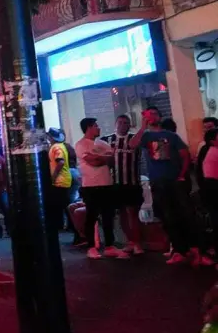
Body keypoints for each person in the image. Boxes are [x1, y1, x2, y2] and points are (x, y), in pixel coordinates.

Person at [132, 110, 207, 265]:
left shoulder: (171, 136)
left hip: (175, 180)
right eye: (149, 114)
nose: (152, 116)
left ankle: (197, 248)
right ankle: (179, 250)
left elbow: (185, 155)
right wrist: (142, 126)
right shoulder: (145, 136)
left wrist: (182, 174)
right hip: (157, 181)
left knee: (186, 213)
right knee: (167, 216)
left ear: (160, 117)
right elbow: (132, 144)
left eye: (154, 114)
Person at [74, 118, 123, 259]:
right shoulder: (81, 144)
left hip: (107, 183)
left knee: (108, 216)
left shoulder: (102, 143)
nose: (98, 128)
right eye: (96, 126)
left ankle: (109, 245)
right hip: (91, 186)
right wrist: (104, 157)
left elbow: (112, 160)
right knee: (92, 216)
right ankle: (91, 247)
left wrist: (100, 157)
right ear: (88, 128)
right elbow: (92, 161)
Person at [102, 114, 144, 254]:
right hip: (115, 183)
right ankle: (130, 241)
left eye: (126, 123)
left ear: (129, 125)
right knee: (122, 213)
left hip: (132, 182)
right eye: (120, 122)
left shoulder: (134, 138)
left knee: (133, 212)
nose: (122, 125)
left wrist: (143, 126)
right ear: (115, 124)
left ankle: (137, 242)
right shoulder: (107, 140)